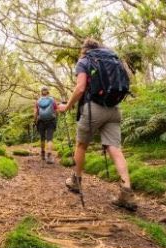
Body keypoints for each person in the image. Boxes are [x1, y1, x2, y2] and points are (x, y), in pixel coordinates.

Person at [58, 38, 137, 211]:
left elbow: (80, 88)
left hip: (93, 109)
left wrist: (67, 106)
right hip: (114, 108)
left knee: (81, 145)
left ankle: (76, 181)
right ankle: (127, 191)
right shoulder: (113, 58)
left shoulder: (85, 61)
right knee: (115, 148)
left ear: (84, 49)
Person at [34, 86, 57, 164]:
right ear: (48, 92)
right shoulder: (52, 100)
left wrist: (35, 120)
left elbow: (36, 112)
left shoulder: (38, 101)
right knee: (49, 138)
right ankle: (49, 156)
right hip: (51, 120)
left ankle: (43, 153)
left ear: (41, 92)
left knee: (42, 138)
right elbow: (56, 110)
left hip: (41, 121)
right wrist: (55, 116)